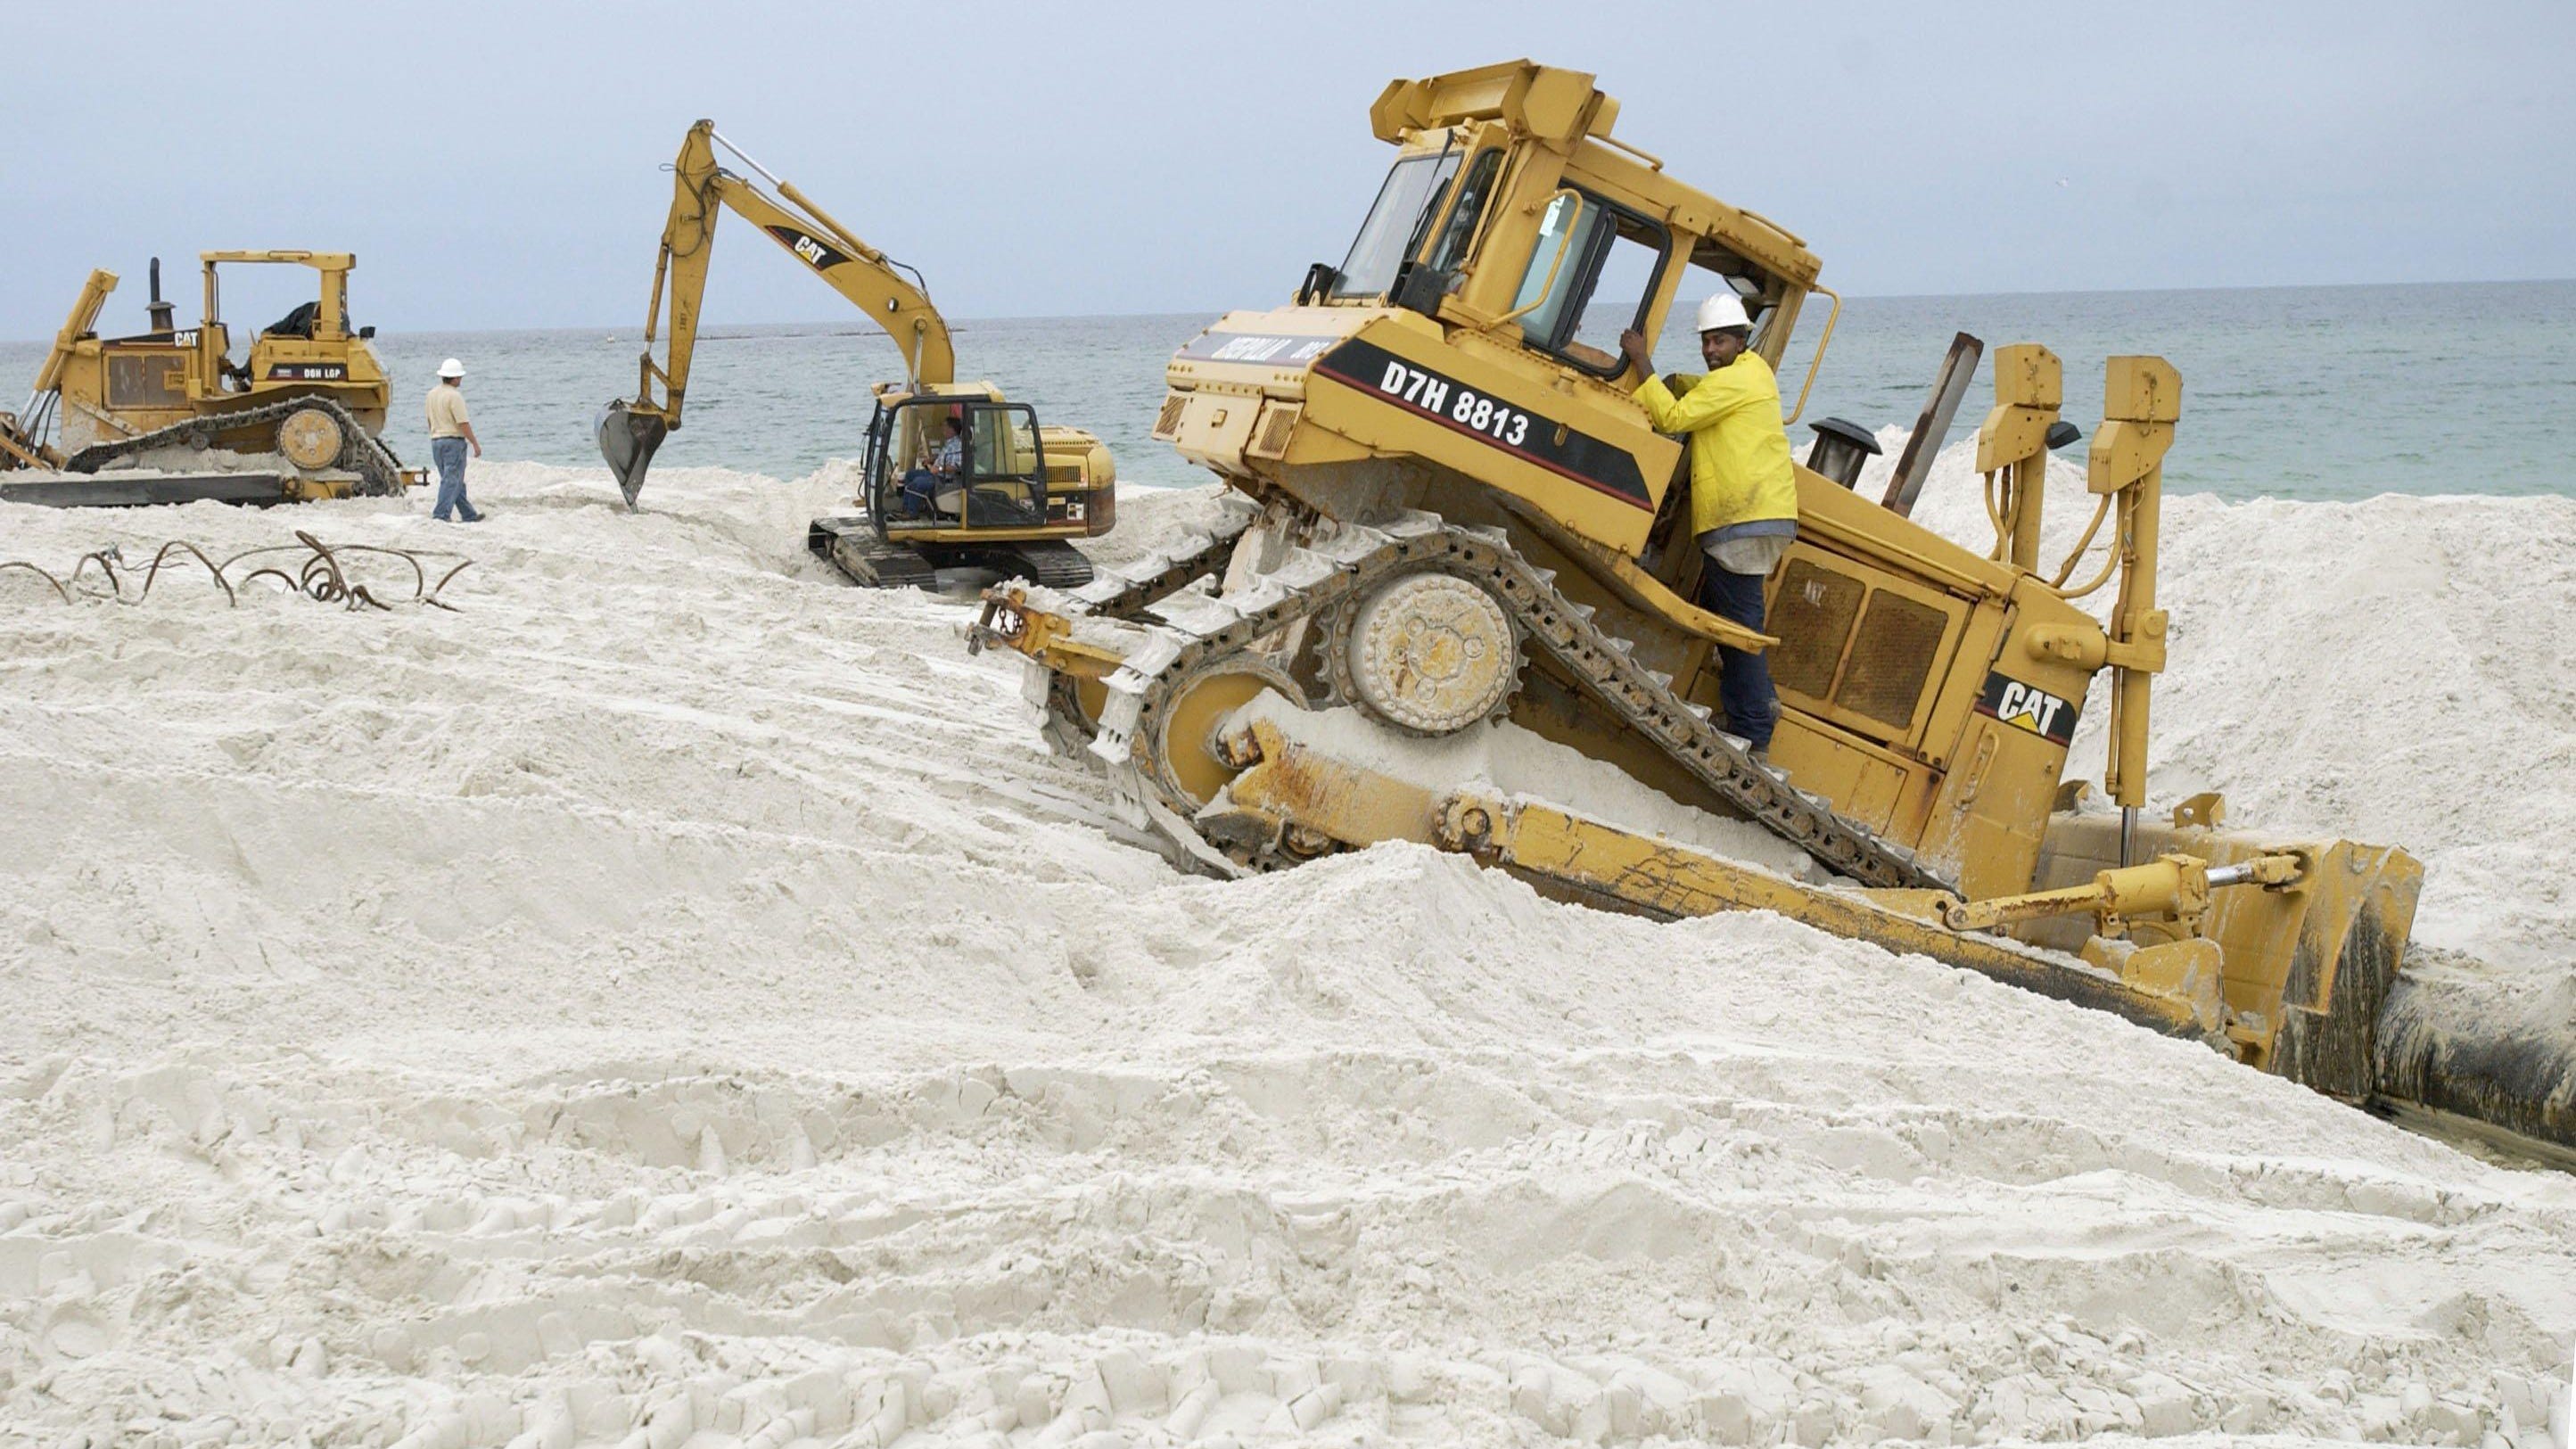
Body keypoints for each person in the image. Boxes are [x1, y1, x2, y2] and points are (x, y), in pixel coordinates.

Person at [1618, 293, 1798, 756]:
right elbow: (1701, 390)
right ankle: (1754, 709)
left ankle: (1755, 727)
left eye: (1719, 341)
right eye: (1706, 341)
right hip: (1757, 517)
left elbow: (1675, 415)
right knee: (1738, 618)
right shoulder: (1749, 374)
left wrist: (1642, 362)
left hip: (1744, 519)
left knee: (1738, 624)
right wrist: (1674, 380)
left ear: (1741, 340)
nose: (1710, 349)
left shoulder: (1734, 384)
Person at [424, 358, 484, 523]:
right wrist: (475, 443)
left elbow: (429, 420)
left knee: (453, 480)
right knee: (452, 480)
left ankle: (468, 514)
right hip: (453, 441)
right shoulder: (454, 396)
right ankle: (441, 515)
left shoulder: (431, 394)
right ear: (455, 378)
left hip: (436, 441)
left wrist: (435, 434)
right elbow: (462, 422)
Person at [901, 414, 966, 516]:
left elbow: (957, 466)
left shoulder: (958, 445)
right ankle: (906, 508)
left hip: (943, 478)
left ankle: (912, 513)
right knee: (910, 474)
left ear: (952, 429)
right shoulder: (949, 443)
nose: (942, 428)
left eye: (945, 426)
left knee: (918, 483)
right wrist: (932, 460)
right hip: (934, 473)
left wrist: (939, 468)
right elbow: (946, 458)